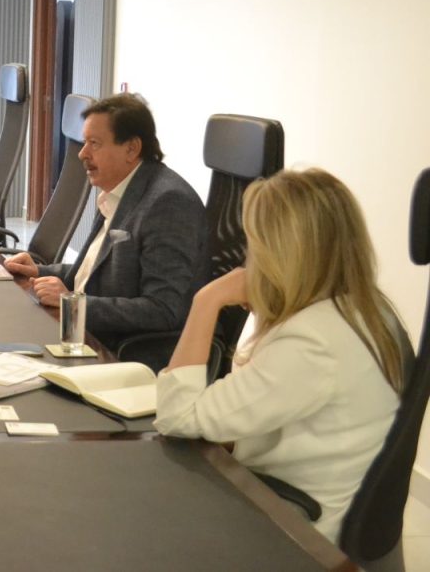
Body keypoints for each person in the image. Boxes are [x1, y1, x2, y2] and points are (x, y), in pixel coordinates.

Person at [154, 169, 405, 543]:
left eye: (254, 246)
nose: (247, 260)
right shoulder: (367, 312)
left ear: (284, 253)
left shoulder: (312, 342)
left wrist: (206, 300)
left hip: (290, 526)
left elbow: (176, 417)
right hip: (303, 496)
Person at [3, 94, 208, 354]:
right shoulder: (119, 189)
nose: (82, 153)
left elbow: (164, 309)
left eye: (94, 144)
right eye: (85, 142)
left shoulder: (168, 203)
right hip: (81, 333)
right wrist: (39, 271)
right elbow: (98, 273)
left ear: (131, 148)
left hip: (116, 352)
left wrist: (74, 304)